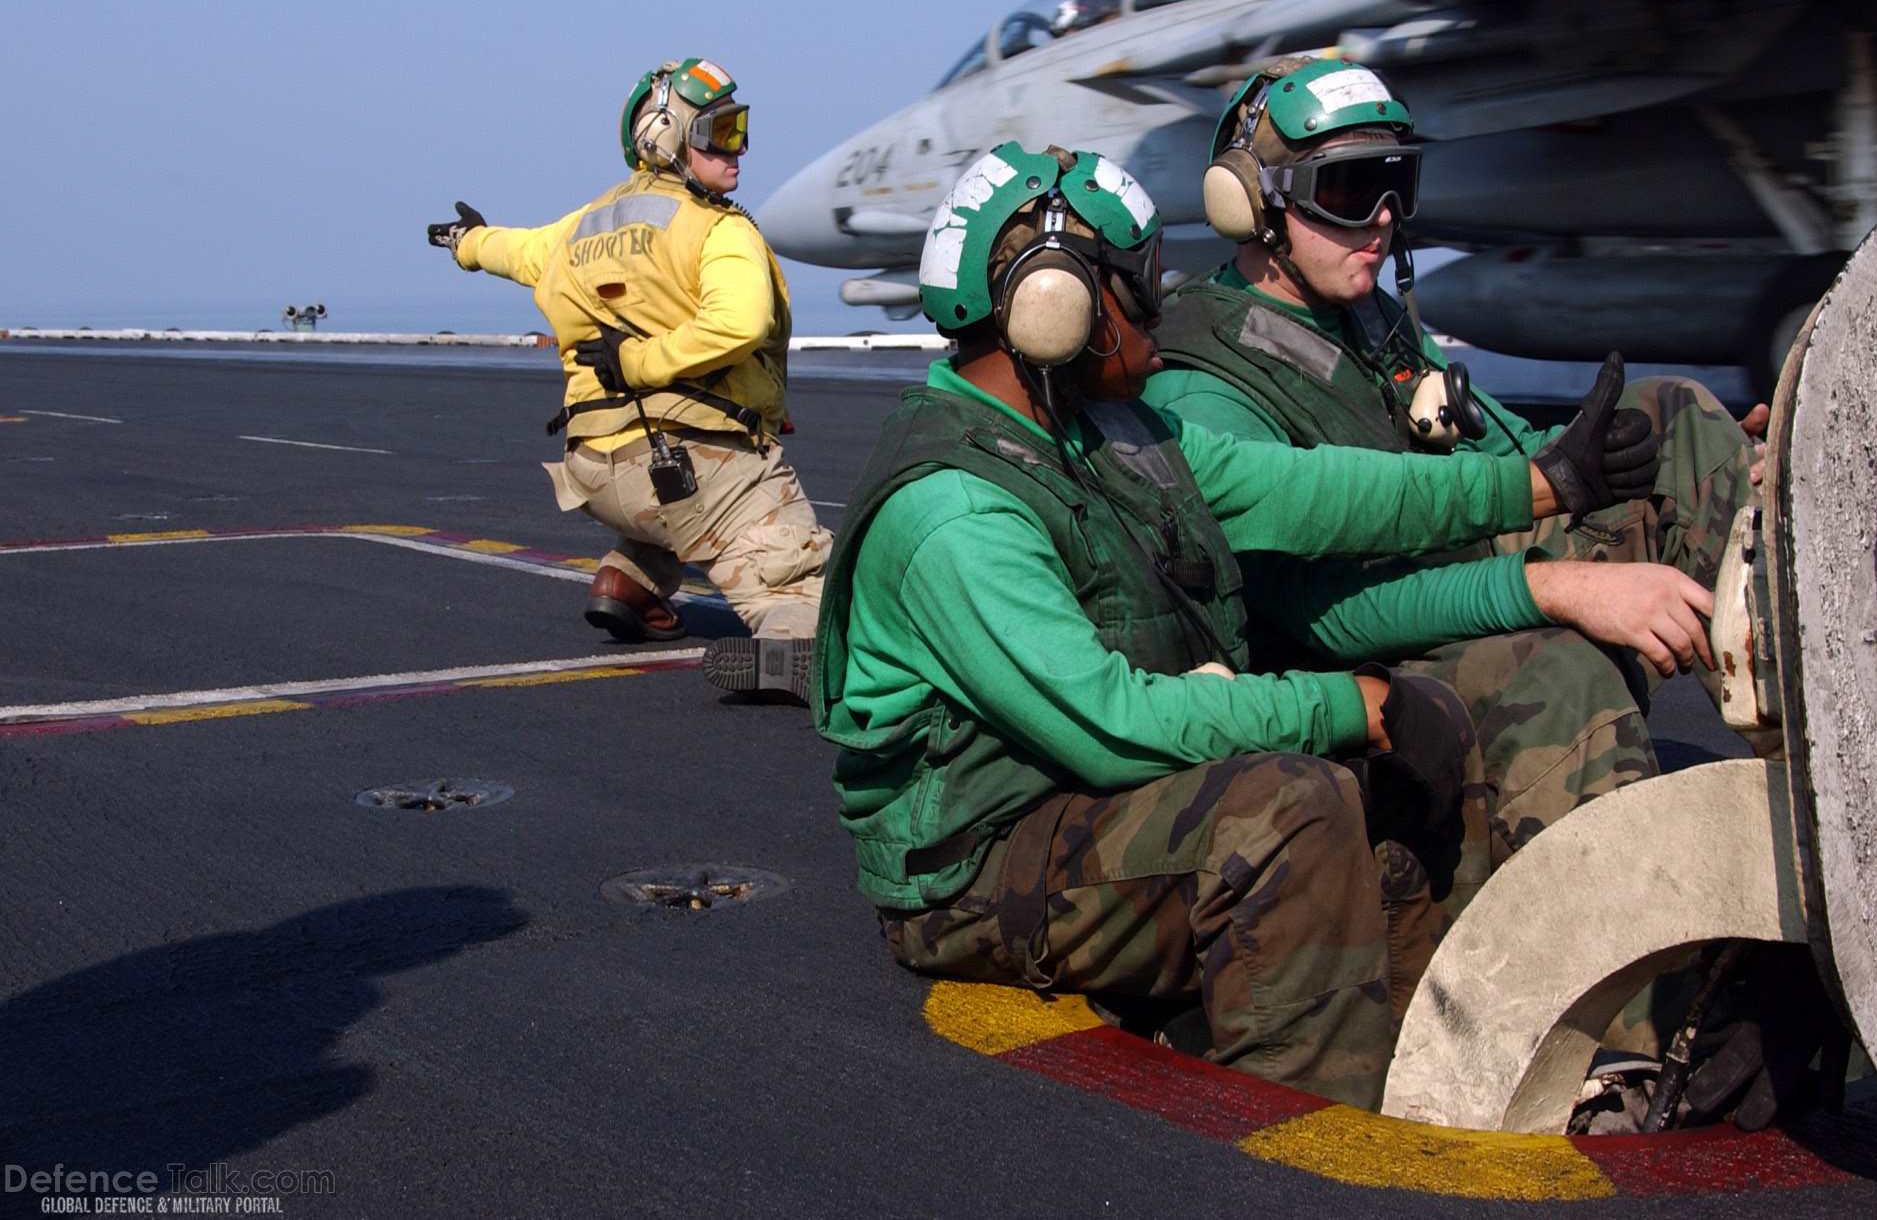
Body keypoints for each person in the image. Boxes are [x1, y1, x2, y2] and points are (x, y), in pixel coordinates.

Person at [810, 142, 1661, 1109]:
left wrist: (1535, 483)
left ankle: (1443, 1080)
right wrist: (1339, 703)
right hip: (978, 866)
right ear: (1057, 310)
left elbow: (1312, 491)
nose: (1162, 322)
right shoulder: (956, 514)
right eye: (1138, 291)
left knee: (1418, 737)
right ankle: (1302, 1140)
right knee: (1285, 809)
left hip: (1085, 806)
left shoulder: (1108, 436)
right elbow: (1110, 724)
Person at [1145, 55, 1762, 950]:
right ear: (1257, 205)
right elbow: (1324, 618)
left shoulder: (1366, 316)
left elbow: (1506, 446)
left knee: (1676, 425)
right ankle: (1612, 1041)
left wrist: (1725, 455)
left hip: (1445, 588)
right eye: (1350, 190)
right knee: (1560, 670)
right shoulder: (1203, 380)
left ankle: (1817, 749)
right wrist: (1553, 588)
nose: (1384, 221)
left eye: (1398, 186)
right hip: (1340, 667)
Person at [430, 57, 828, 701]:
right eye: (721, 133)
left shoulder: (583, 227)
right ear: (666, 138)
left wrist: (465, 241)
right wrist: (640, 362)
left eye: (741, 129)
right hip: (695, 464)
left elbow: (517, 250)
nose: (740, 149)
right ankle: (793, 645)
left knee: (673, 500)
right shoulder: (717, 229)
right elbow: (742, 322)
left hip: (594, 469)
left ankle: (629, 583)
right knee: (817, 587)